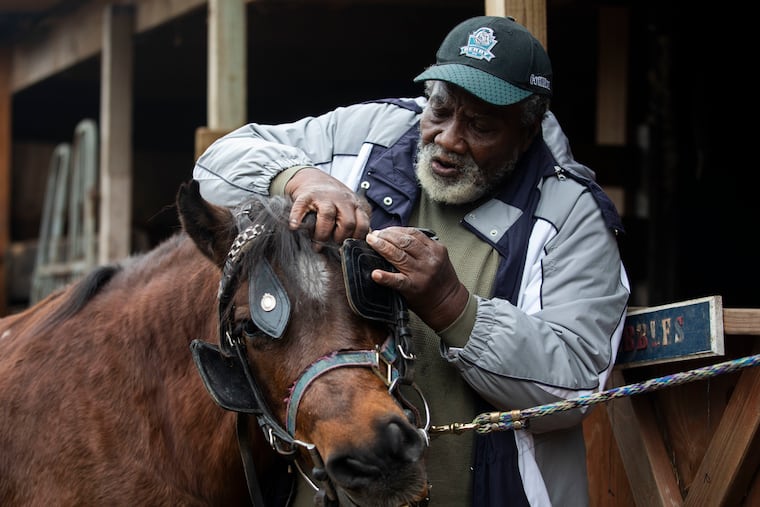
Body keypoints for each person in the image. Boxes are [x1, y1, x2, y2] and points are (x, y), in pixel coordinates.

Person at [193, 15, 630, 507]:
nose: (448, 138)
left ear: (526, 133)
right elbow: (217, 163)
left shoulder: (572, 214)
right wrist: (299, 179)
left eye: (480, 126)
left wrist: (453, 307)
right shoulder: (374, 131)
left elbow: (576, 388)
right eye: (440, 110)